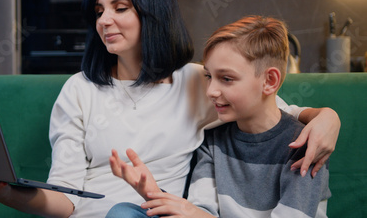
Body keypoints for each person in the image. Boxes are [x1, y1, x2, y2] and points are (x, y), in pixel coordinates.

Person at [0, 0, 340, 217]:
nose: (105, 20)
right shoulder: (78, 91)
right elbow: (66, 200)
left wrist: (327, 118)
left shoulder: (197, 82)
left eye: (120, 8)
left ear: (152, 12)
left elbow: (273, 110)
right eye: (99, 11)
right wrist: (1, 193)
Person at [107, 16, 332, 218]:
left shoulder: (305, 144)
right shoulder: (214, 140)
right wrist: (156, 195)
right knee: (122, 212)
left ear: (269, 81)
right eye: (208, 76)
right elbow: (201, 210)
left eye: (226, 78)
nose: (210, 91)